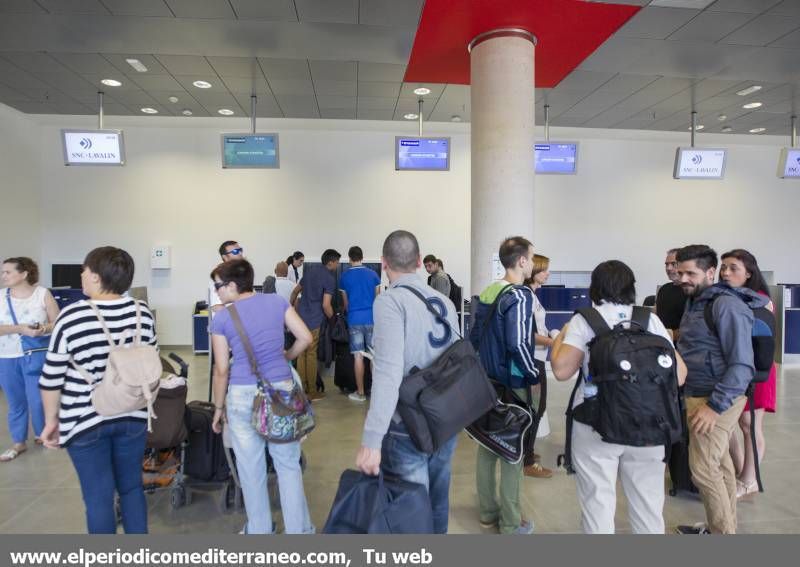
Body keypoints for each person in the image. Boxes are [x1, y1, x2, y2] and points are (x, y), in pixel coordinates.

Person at [550, 260, 687, 534]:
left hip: (596, 424)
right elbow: (680, 375)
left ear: (595, 287)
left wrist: (561, 336)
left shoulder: (585, 319)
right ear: (631, 287)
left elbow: (561, 370)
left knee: (598, 502)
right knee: (648, 507)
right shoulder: (650, 319)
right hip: (650, 423)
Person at [38, 247, 157, 534]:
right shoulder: (142, 312)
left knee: (98, 498)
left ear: (94, 276)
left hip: (84, 419)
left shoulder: (71, 316)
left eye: (84, 270)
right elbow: (151, 363)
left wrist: (51, 420)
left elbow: (52, 375)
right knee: (131, 489)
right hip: (133, 414)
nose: (81, 274)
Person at [356, 230, 459, 534]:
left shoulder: (389, 303)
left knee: (411, 509)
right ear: (418, 261)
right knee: (438, 500)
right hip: (445, 418)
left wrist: (372, 439)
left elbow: (388, 372)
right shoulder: (444, 302)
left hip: (407, 424)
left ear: (384, 263)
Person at [209, 259, 315, 534]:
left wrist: (218, 409)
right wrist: (287, 357)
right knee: (288, 466)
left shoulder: (221, 318)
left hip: (242, 395)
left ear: (233, 285)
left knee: (251, 469)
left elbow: (221, 370)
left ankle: (259, 531)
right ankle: (299, 533)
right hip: (280, 390)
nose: (217, 291)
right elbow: (305, 337)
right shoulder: (277, 303)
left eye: (219, 286)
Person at [674, 245, 768, 535]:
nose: (683, 279)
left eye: (691, 273)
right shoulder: (697, 300)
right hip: (698, 392)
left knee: (702, 469)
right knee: (722, 466)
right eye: (680, 273)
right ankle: (726, 530)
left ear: (711, 272)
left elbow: (742, 365)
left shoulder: (726, 305)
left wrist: (713, 407)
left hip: (715, 398)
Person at [469, 236, 540, 535]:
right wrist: (533, 375)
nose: (534, 264)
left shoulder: (488, 290)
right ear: (521, 261)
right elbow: (518, 344)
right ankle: (511, 523)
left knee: (488, 444)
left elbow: (473, 337)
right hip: (513, 384)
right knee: (513, 449)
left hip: (487, 382)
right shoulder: (520, 296)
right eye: (532, 258)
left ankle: (487, 512)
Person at [719, 249, 777, 499]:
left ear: (749, 273)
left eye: (733, 268)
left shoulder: (760, 300)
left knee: (750, 426)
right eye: (724, 267)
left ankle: (749, 480)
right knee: (731, 423)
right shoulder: (729, 296)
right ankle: (743, 474)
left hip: (757, 369)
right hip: (733, 368)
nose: (725, 272)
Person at [0, 257, 60, 462]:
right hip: (7, 356)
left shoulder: (42, 294)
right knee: (16, 401)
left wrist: (43, 329)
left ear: (24, 274)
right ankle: (18, 442)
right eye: (3, 272)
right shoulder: (0, 296)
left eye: (8, 272)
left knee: (38, 399)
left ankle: (43, 434)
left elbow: (57, 322)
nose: (3, 276)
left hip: (36, 354)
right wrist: (20, 329)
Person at [291, 249, 340, 400]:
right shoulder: (329, 278)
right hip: (314, 320)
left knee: (301, 354)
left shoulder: (310, 272)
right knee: (311, 354)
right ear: (331, 262)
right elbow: (326, 305)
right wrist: (334, 320)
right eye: (337, 262)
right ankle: (312, 391)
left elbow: (295, 292)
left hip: (300, 319)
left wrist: (291, 308)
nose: (338, 265)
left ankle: (301, 390)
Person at [521, 254, 554, 479]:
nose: (547, 273)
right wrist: (555, 341)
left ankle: (528, 452)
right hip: (534, 359)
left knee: (536, 408)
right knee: (535, 408)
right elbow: (530, 335)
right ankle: (527, 460)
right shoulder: (527, 297)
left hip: (538, 357)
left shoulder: (532, 295)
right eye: (544, 270)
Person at [339, 246, 381, 402]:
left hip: (354, 319)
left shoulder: (344, 277)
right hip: (372, 318)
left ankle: (361, 393)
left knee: (358, 356)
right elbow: (378, 299)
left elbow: (346, 304)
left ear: (350, 258)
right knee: (374, 357)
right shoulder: (373, 275)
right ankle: (377, 394)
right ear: (362, 257)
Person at [655, 248, 687, 339]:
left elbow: (692, 329)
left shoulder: (691, 292)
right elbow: (655, 316)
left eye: (674, 264)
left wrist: (665, 335)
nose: (668, 268)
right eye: (666, 264)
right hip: (660, 342)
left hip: (681, 346)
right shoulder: (664, 289)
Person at [210, 240, 245, 314]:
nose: (240, 253)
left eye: (240, 250)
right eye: (235, 251)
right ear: (225, 257)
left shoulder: (244, 274)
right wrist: (239, 324)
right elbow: (218, 307)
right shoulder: (219, 275)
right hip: (232, 324)